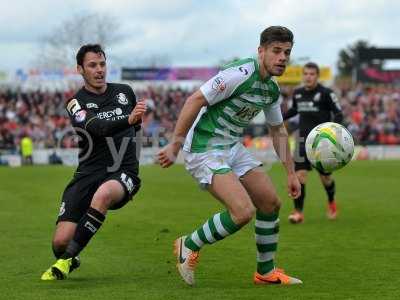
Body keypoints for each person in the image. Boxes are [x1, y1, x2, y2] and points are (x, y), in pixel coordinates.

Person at [158, 26, 302, 286]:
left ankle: (265, 273)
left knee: (270, 202)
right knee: (242, 211)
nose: (282, 57)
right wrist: (174, 145)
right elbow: (194, 100)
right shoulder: (240, 74)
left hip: (232, 147)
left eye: (287, 52)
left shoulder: (270, 89)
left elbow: (278, 130)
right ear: (261, 51)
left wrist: (291, 172)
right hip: (204, 148)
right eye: (276, 51)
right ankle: (188, 244)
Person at [41, 44, 146, 280]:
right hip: (88, 172)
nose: (99, 70)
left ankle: (64, 263)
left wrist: (133, 171)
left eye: (102, 64)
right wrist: (128, 119)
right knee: (60, 242)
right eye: (92, 65)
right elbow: (98, 128)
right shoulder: (75, 103)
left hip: (122, 171)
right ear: (80, 69)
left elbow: (137, 130)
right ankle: (69, 255)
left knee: (104, 194)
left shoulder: (125, 92)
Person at [283, 62, 343, 224]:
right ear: (303, 76)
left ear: (317, 76)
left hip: (322, 144)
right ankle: (298, 212)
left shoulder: (326, 93)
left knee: (326, 179)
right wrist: (279, 118)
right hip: (302, 141)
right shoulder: (298, 93)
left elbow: (338, 113)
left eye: (312, 74)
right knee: (300, 176)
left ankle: (331, 202)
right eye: (306, 74)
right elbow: (295, 110)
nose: (308, 77)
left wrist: (336, 132)